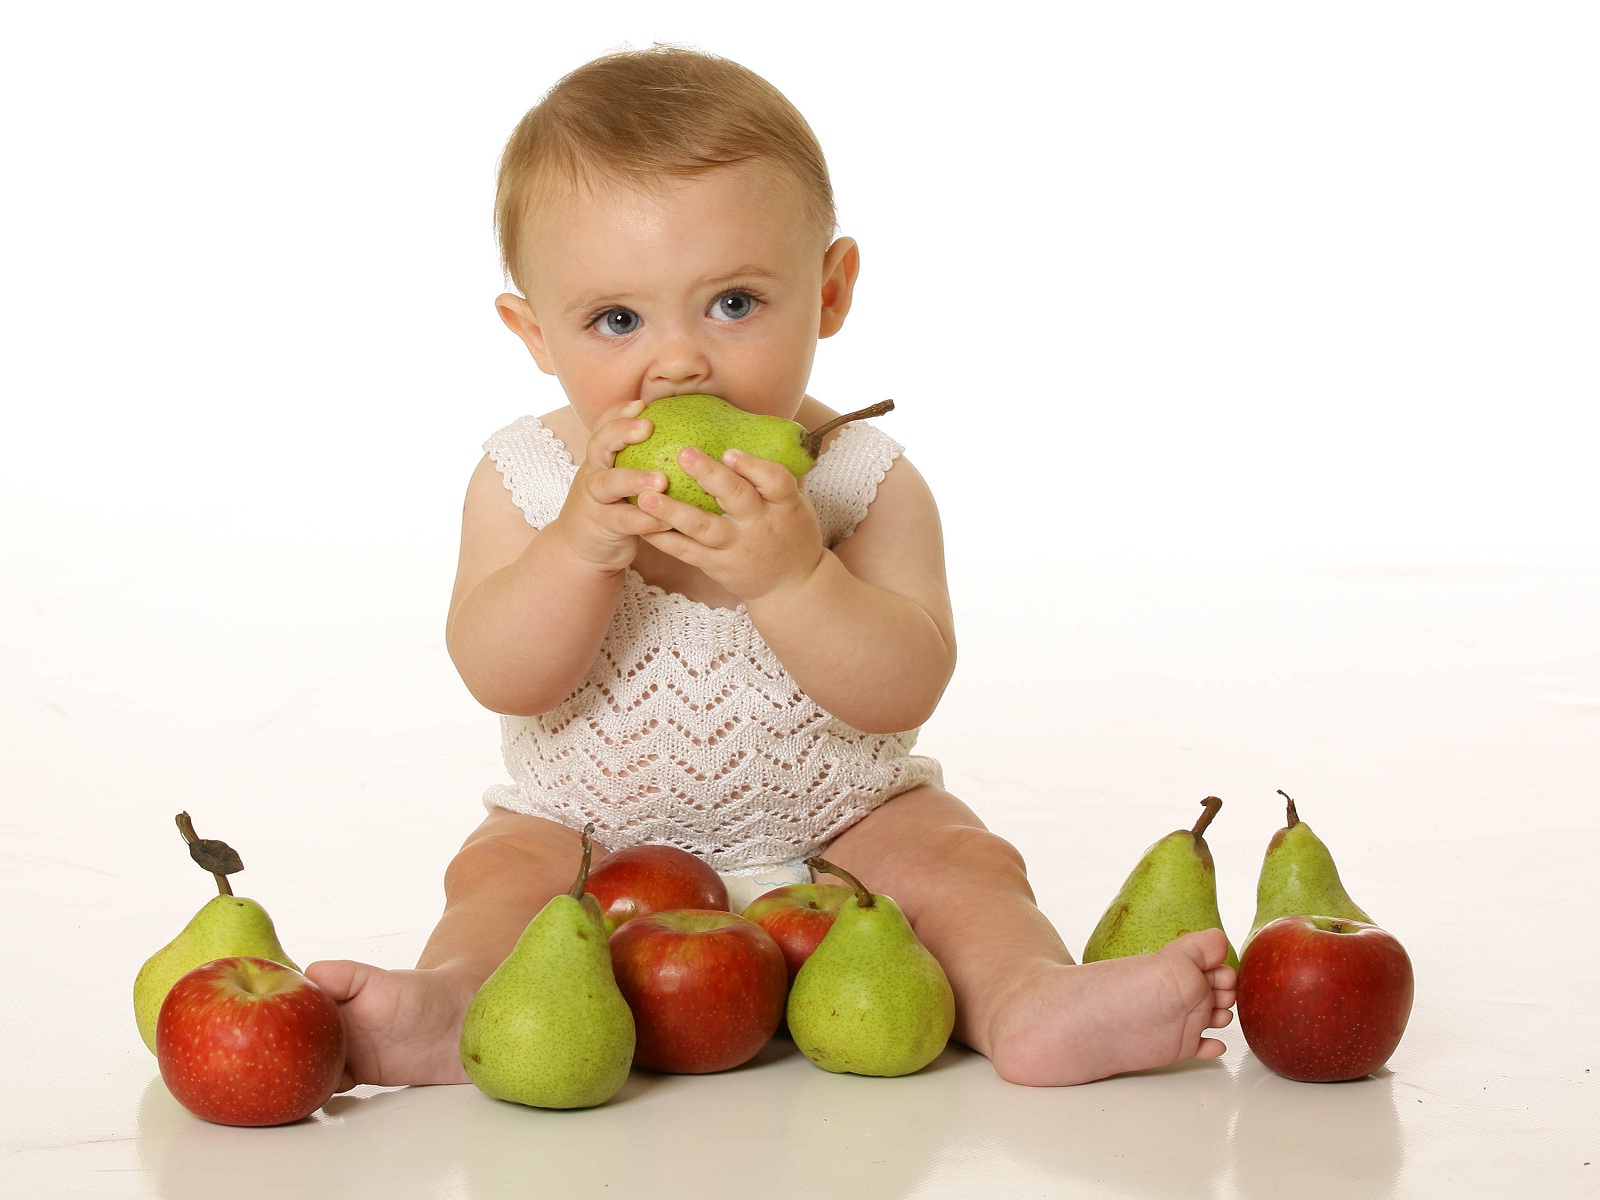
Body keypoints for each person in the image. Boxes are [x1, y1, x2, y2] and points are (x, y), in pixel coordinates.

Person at [307, 45, 1235, 1090]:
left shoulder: (860, 481)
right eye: (616, 320)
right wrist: (577, 548)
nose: (680, 363)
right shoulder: (527, 479)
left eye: (734, 303)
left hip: (844, 827)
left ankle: (1026, 998)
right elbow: (501, 674)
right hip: (583, 837)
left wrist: (797, 579)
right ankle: (460, 1007)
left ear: (830, 290)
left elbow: (900, 692)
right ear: (532, 333)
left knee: (961, 862)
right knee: (495, 875)